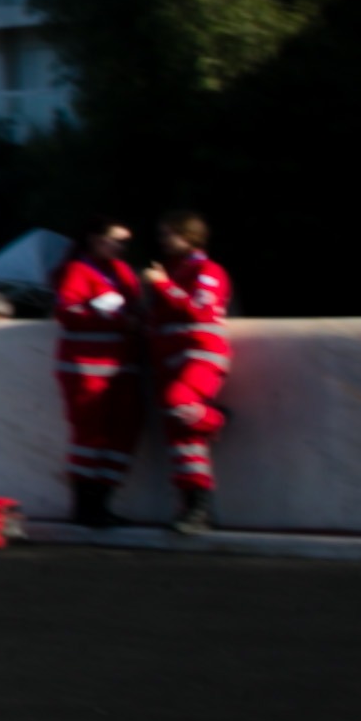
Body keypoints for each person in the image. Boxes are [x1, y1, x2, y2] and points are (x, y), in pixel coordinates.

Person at [118, 211, 234, 534]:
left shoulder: (207, 270)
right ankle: (196, 509)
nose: (163, 240)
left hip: (201, 356)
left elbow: (199, 310)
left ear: (190, 236)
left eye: (170, 234)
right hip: (168, 362)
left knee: (177, 402)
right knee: (183, 440)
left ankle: (217, 418)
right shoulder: (170, 271)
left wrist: (164, 286)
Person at [51, 217, 145, 524]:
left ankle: (102, 504)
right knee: (89, 437)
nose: (121, 246)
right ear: (94, 239)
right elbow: (66, 311)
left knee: (122, 435)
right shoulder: (78, 270)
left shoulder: (124, 273)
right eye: (115, 239)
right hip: (85, 369)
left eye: (125, 242)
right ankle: (85, 507)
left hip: (121, 368)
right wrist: (105, 314)